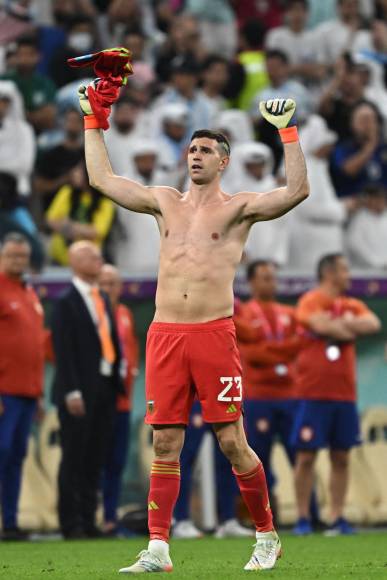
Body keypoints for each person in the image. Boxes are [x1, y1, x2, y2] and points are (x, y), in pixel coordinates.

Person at [80, 69, 309, 571]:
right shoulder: (164, 202)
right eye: (192, 150)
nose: (196, 156)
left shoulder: (239, 208)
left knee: (232, 441)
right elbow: (101, 179)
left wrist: (288, 133)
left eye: (206, 150)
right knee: (165, 440)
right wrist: (91, 120)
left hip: (212, 334)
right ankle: (159, 547)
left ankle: (267, 536)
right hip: (165, 334)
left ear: (224, 162)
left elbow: (295, 192)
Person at [292, 253, 381, 535]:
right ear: (329, 273)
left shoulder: (351, 304)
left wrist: (340, 328)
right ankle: (303, 517)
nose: (348, 275)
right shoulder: (311, 300)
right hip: (312, 393)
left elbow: (374, 324)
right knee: (306, 456)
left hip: (344, 395)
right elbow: (318, 324)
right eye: (344, 270)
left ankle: (336, 517)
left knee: (340, 457)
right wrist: (347, 329)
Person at [51, 241, 124, 539]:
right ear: (75, 261)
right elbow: (63, 350)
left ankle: (88, 519)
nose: (99, 260)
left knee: (95, 456)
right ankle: (71, 523)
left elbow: (109, 340)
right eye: (92, 257)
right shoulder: (65, 302)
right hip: (78, 391)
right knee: (74, 457)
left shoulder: (101, 299)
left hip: (104, 388)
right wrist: (71, 392)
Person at [234, 260, 300, 519]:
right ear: (251, 282)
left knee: (301, 457)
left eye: (273, 277)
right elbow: (250, 354)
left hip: (289, 395)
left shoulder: (289, 312)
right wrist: (282, 354)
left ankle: (310, 516)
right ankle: (263, 519)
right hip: (258, 395)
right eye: (264, 278)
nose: (271, 283)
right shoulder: (244, 314)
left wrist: (269, 353)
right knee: (259, 460)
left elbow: (299, 345)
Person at [0, 232, 46, 541]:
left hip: (27, 392)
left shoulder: (29, 293)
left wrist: (39, 394)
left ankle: (11, 522)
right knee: (2, 453)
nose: (19, 261)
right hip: (5, 391)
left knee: (16, 456)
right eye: (13, 256)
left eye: (23, 257)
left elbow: (35, 345)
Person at [173, 400, 254, 540]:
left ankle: (228, 520)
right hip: (194, 398)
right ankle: (181, 520)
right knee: (185, 459)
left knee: (229, 458)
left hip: (220, 396)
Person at [99, 264, 139, 536]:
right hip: (100, 401)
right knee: (97, 463)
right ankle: (95, 517)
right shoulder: (94, 314)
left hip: (123, 402)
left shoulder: (124, 313)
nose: (108, 288)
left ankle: (111, 518)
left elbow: (131, 351)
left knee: (116, 463)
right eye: (104, 283)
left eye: (113, 283)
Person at [45, 160, 115, 266]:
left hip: (88, 262)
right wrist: (82, 230)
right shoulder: (67, 191)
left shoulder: (105, 202)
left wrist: (67, 225)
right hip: (59, 259)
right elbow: (50, 220)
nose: (74, 174)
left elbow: (97, 232)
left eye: (79, 171)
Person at [346, 184, 387, 269]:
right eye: (377, 198)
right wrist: (376, 262)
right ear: (369, 199)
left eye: (382, 198)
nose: (381, 201)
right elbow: (355, 245)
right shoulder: (359, 218)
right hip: (366, 270)